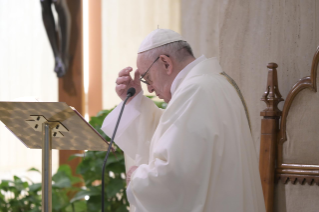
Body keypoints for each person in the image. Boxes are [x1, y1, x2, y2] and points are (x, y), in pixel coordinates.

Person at [101, 29, 265, 212]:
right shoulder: (214, 84)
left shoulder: (194, 92)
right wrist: (135, 102)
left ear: (165, 63)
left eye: (148, 78)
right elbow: (178, 143)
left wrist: (137, 178)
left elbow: (172, 177)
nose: (150, 90)